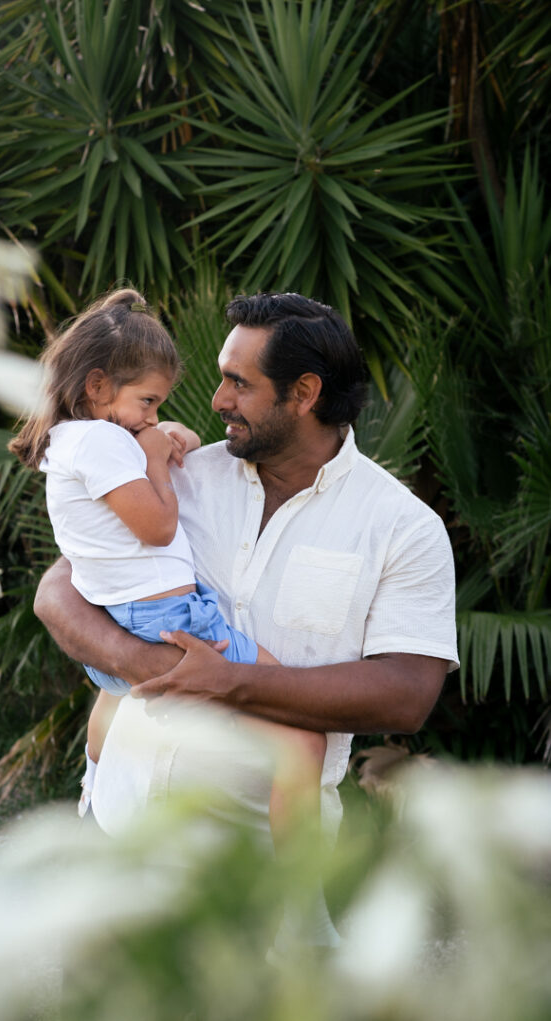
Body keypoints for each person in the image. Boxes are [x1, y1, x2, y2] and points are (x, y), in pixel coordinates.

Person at [34, 291, 459, 948]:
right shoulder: (181, 474)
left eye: (238, 382)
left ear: (304, 393)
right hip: (120, 847)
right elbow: (59, 591)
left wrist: (226, 681)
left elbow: (405, 694)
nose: (215, 401)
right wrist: (154, 667)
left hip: (264, 891)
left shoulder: (402, 528)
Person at [8, 287, 327, 850]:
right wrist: (155, 455)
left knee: (117, 695)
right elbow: (156, 527)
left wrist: (154, 434)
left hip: (126, 610)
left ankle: (93, 794)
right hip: (168, 612)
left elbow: (154, 451)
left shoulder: (74, 440)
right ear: (98, 386)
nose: (153, 417)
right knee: (300, 730)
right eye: (149, 402)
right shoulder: (108, 444)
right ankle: (305, 902)